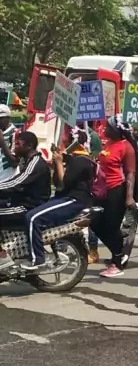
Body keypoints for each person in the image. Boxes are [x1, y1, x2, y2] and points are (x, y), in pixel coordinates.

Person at [18, 127, 94, 271]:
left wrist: (59, 163)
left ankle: (37, 259)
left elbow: (65, 182)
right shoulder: (71, 159)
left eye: (66, 141)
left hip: (74, 200)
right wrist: (58, 163)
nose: (62, 143)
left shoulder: (81, 160)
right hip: (63, 197)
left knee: (33, 218)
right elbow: (58, 185)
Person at [0, 132, 51, 272]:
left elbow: (17, 183)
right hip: (19, 201)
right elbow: (13, 181)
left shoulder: (35, 163)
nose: (14, 147)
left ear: (29, 146)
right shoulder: (26, 160)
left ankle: (2, 256)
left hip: (28, 206)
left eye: (17, 144)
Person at [94, 115, 138, 278]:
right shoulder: (110, 143)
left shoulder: (127, 147)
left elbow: (130, 174)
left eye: (108, 126)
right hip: (101, 190)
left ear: (116, 130)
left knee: (111, 226)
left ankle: (117, 261)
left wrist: (129, 196)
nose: (105, 128)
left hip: (117, 190)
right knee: (95, 222)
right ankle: (118, 253)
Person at [0, 105, 17, 183]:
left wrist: (2, 142)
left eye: (1, 118)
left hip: (7, 180)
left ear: (8, 118)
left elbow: (15, 162)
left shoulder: (15, 133)